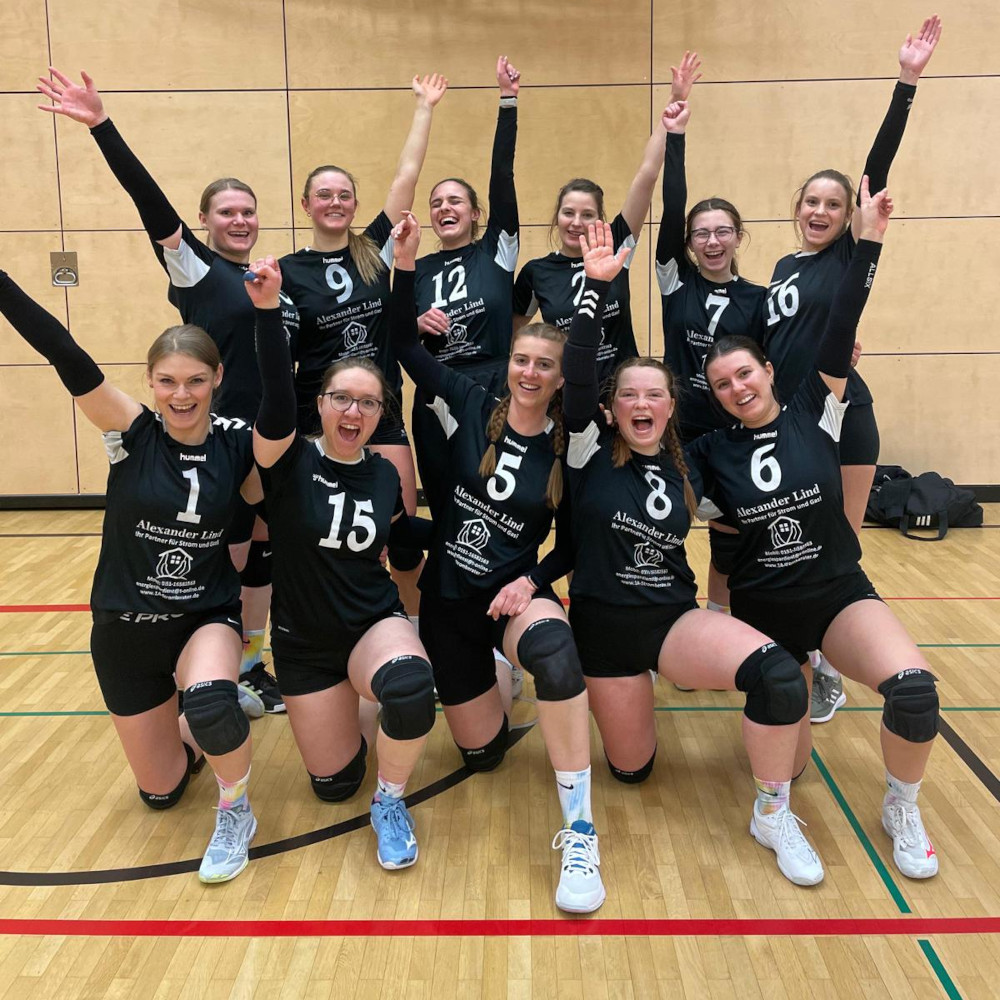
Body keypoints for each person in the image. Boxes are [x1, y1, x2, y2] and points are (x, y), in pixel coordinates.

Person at [688, 178, 940, 880]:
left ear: (768, 370)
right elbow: (671, 505)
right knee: (788, 757)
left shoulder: (815, 409)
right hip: (766, 610)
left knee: (915, 690)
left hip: (836, 594)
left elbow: (841, 314)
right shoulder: (709, 452)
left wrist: (871, 240)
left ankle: (902, 806)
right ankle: (771, 812)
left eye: (745, 374)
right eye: (723, 385)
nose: (737, 389)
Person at [560, 221, 821, 884]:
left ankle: (772, 813)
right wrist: (594, 289)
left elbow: (761, 499)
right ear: (610, 407)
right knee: (632, 770)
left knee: (778, 675)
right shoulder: (588, 450)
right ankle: (631, 693)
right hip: (603, 631)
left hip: (672, 619)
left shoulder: (693, 462)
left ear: (673, 405)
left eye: (655, 393)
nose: (641, 403)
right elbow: (579, 368)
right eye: (628, 394)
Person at [36, 66, 298, 715]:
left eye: (248, 211)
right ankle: (205, 674)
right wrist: (102, 126)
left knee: (264, 560)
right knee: (227, 561)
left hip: (269, 445)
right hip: (214, 449)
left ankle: (250, 665)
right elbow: (150, 205)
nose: (239, 219)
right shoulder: (196, 269)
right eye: (226, 211)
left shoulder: (272, 283)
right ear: (204, 220)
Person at [0, 270, 261, 883]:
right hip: (124, 627)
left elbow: (272, 510)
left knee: (211, 702)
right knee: (161, 790)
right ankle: (194, 726)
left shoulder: (238, 445)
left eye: (195, 380)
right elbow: (63, 352)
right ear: (150, 381)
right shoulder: (132, 431)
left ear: (218, 378)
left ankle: (235, 809)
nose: (181, 394)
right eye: (167, 381)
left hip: (203, 617)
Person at [390, 211, 605, 913]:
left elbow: (571, 546)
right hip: (448, 601)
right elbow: (403, 346)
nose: (530, 372)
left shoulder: (570, 445)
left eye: (545, 365)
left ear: (560, 377)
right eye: (523, 360)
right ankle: (496, 676)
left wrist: (531, 580)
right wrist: (404, 265)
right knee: (481, 756)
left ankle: (580, 828)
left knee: (558, 660)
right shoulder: (470, 398)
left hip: (513, 595)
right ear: (508, 363)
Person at [762, 16, 941, 722]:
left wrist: (906, 82)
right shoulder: (782, 267)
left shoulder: (846, 254)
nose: (821, 210)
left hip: (844, 416)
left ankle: (832, 667)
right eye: (811, 201)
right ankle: (799, 654)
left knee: (839, 550)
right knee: (793, 544)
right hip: (790, 421)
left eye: (834, 205)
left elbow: (876, 169)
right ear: (797, 209)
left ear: (849, 217)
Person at [244, 256, 436, 869]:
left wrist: (477, 537)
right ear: (321, 404)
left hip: (370, 620)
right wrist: (268, 311)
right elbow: (276, 393)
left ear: (381, 414)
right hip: (303, 643)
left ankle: (391, 800)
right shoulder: (286, 458)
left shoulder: (382, 475)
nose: (353, 413)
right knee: (333, 785)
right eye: (342, 400)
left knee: (411, 688)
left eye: (368, 404)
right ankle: (356, 704)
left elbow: (402, 536)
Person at [279, 73, 448, 615]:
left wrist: (424, 107)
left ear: (354, 205)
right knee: (325, 535)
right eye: (324, 195)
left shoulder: (374, 249)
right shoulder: (286, 272)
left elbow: (406, 176)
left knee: (402, 536)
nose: (335, 202)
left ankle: (412, 630)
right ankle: (330, 626)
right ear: (306, 204)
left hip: (383, 407)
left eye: (344, 195)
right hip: (318, 415)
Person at [511, 52, 701, 387]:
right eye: (568, 213)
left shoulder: (615, 245)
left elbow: (646, 175)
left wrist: (674, 103)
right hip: (570, 395)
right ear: (556, 218)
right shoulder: (536, 273)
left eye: (587, 215)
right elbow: (512, 337)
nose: (576, 222)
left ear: (600, 219)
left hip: (624, 391)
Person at [655, 85, 770, 631]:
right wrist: (676, 137)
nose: (712, 240)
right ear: (689, 243)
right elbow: (671, 206)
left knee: (730, 535)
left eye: (723, 231)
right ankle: (665, 619)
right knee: (661, 524)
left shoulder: (760, 300)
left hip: (734, 436)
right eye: (701, 233)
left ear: (738, 237)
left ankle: (720, 619)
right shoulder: (674, 281)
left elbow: (778, 364)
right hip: (679, 431)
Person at [413, 56, 521, 519]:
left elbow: (502, 176)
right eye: (436, 203)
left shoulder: (497, 250)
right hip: (436, 387)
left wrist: (507, 101)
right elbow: (394, 336)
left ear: (475, 213)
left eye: (455, 200)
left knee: (494, 499)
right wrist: (415, 324)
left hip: (492, 383)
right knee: (444, 502)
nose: (444, 208)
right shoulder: (416, 268)